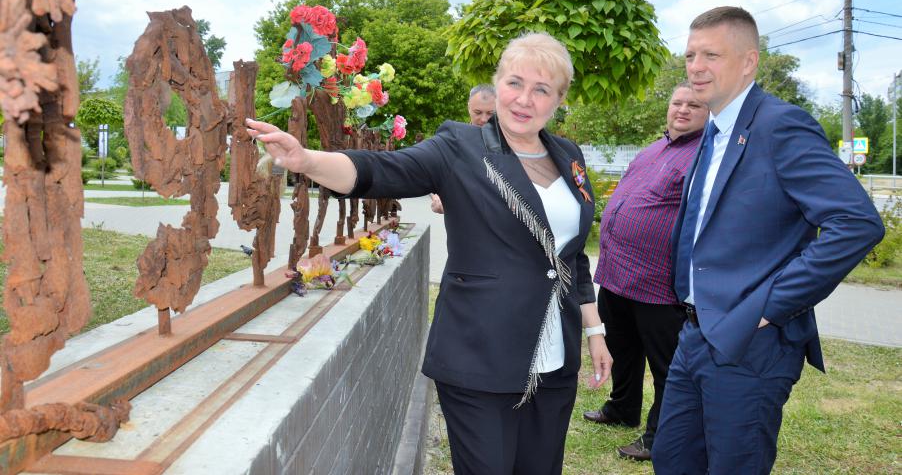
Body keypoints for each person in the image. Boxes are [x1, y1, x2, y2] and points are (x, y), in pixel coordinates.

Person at [247, 31, 612, 475]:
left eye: (542, 90)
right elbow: (384, 170)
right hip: (480, 356)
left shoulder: (568, 156)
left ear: (558, 100)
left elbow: (570, 258)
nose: (524, 99)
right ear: (497, 84)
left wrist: (594, 332)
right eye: (515, 83)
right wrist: (308, 160)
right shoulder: (461, 146)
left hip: (554, 358)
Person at [651, 6, 884, 475]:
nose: (695, 66)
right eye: (691, 54)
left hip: (751, 343)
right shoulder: (712, 131)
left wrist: (768, 307)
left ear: (749, 62)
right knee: (671, 459)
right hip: (695, 332)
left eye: (711, 55)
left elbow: (856, 222)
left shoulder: (780, 125)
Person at [583, 82, 708, 462]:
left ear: (708, 112)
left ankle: (660, 437)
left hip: (659, 283)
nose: (682, 109)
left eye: (693, 104)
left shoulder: (703, 154)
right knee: (621, 349)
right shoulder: (656, 147)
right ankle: (623, 408)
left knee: (667, 367)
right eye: (677, 102)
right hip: (618, 275)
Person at [430, 84, 497, 213]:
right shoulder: (452, 141)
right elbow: (434, 175)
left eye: (490, 113)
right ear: (468, 108)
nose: (484, 119)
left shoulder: (511, 144)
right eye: (478, 112)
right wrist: (438, 196)